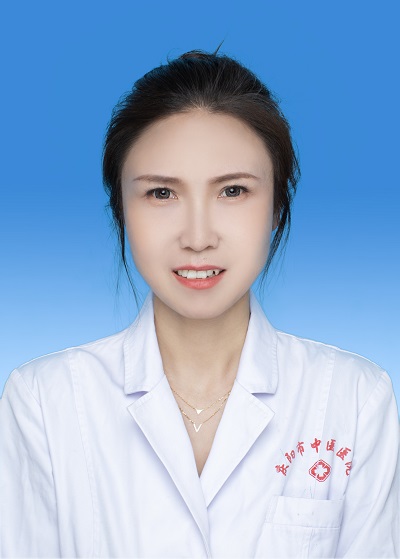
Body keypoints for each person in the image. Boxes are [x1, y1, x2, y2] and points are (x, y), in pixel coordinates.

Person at [0, 47, 399, 559]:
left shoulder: (355, 398)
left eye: (232, 191)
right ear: (121, 209)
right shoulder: (44, 400)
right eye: (161, 194)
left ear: (277, 207)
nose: (197, 237)